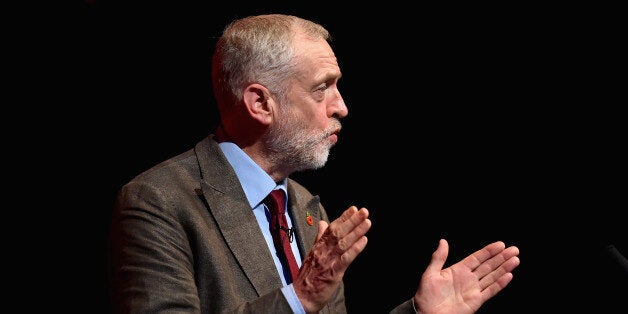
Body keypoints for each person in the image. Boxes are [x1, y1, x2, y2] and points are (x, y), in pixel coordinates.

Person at [107, 13, 521, 313]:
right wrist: (299, 297)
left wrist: (418, 313)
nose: (341, 106)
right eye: (322, 88)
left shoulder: (305, 206)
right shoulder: (158, 201)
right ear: (260, 103)